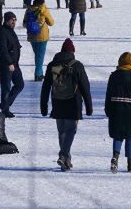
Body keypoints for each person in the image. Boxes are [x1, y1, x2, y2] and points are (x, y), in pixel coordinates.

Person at [40, 38, 93, 172]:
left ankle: (66, 162)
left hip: (57, 102)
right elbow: (85, 86)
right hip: (73, 103)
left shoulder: (52, 65)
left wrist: (43, 106)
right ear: (72, 52)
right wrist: (89, 106)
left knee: (62, 131)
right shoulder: (77, 65)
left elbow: (46, 86)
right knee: (71, 131)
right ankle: (63, 155)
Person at [104, 52, 131, 174]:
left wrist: (108, 110)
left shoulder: (113, 76)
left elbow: (108, 95)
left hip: (116, 110)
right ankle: (130, 164)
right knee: (130, 137)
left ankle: (115, 157)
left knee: (117, 136)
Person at [0, 12, 24, 117]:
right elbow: (2, 50)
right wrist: (9, 63)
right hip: (6, 65)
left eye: (15, 20)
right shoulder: (1, 32)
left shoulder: (11, 31)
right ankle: (5, 109)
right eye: (12, 20)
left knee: (20, 84)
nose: (14, 22)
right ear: (6, 20)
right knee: (6, 88)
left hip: (15, 64)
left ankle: (3, 106)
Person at [23, 0, 54, 81]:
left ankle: (39, 73)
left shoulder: (29, 9)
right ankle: (38, 75)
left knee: (37, 55)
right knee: (40, 56)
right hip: (42, 36)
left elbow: (24, 23)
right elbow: (51, 23)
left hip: (32, 36)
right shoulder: (43, 9)